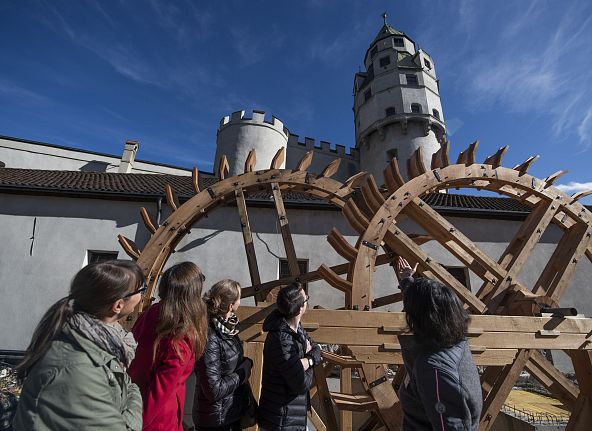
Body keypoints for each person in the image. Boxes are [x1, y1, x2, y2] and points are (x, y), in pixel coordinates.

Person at [13, 260, 145, 431]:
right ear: (118, 305)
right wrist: (134, 396)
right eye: (142, 290)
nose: (143, 295)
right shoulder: (78, 369)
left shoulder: (102, 342)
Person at [395, 257, 482, 431]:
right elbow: (428, 304)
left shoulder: (434, 367)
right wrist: (407, 280)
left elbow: (450, 426)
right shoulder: (455, 342)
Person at [129, 262, 208, 431]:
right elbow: (159, 393)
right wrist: (134, 426)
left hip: (131, 401)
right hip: (157, 421)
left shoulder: (151, 312)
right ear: (193, 295)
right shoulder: (181, 337)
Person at [258, 282, 322, 431]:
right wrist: (310, 360)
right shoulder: (283, 340)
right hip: (282, 420)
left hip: (291, 416)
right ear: (300, 308)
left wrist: (305, 361)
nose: (307, 301)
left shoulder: (295, 328)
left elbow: (316, 348)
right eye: (306, 299)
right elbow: (301, 384)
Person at [193, 279, 253, 431]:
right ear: (231, 305)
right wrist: (243, 371)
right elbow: (214, 390)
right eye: (239, 298)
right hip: (215, 422)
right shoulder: (210, 337)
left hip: (229, 415)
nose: (240, 301)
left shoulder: (228, 329)